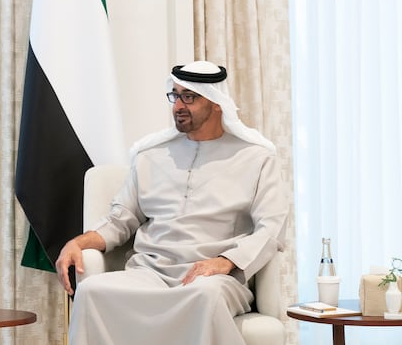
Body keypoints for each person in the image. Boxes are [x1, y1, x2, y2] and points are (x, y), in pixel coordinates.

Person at [56, 61, 288, 345]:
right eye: (174, 95)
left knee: (205, 295)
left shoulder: (256, 158)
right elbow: (121, 219)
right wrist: (77, 243)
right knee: (92, 290)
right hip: (149, 273)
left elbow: (272, 227)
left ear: (216, 102)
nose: (178, 105)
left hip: (213, 278)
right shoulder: (150, 156)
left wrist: (226, 261)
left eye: (188, 97)